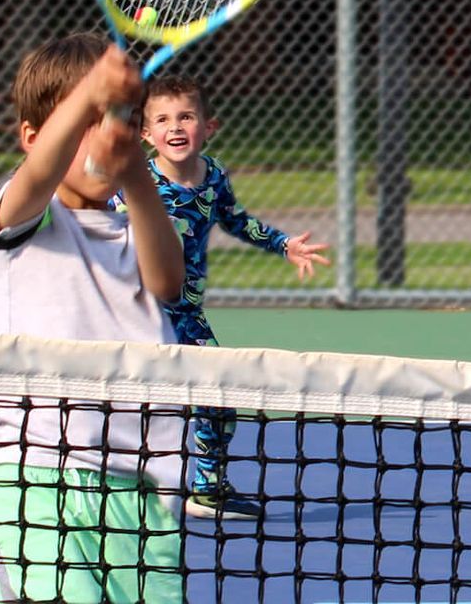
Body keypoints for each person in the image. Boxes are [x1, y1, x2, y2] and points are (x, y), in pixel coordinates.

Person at [0, 32, 187, 604]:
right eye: (83, 124)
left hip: (143, 480)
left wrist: (136, 176)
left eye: (114, 120)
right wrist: (92, 94)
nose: (99, 138)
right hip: (39, 471)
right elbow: (37, 175)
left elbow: (168, 281)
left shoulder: (134, 228)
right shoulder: (24, 219)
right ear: (32, 138)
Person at [136, 74, 330, 520]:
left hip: (185, 313)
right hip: (135, 312)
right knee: (124, 404)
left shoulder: (214, 176)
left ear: (209, 126)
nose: (175, 126)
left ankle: (207, 489)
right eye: (162, 119)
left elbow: (235, 220)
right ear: (147, 135)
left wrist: (283, 244)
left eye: (186, 116)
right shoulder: (136, 182)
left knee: (218, 394)